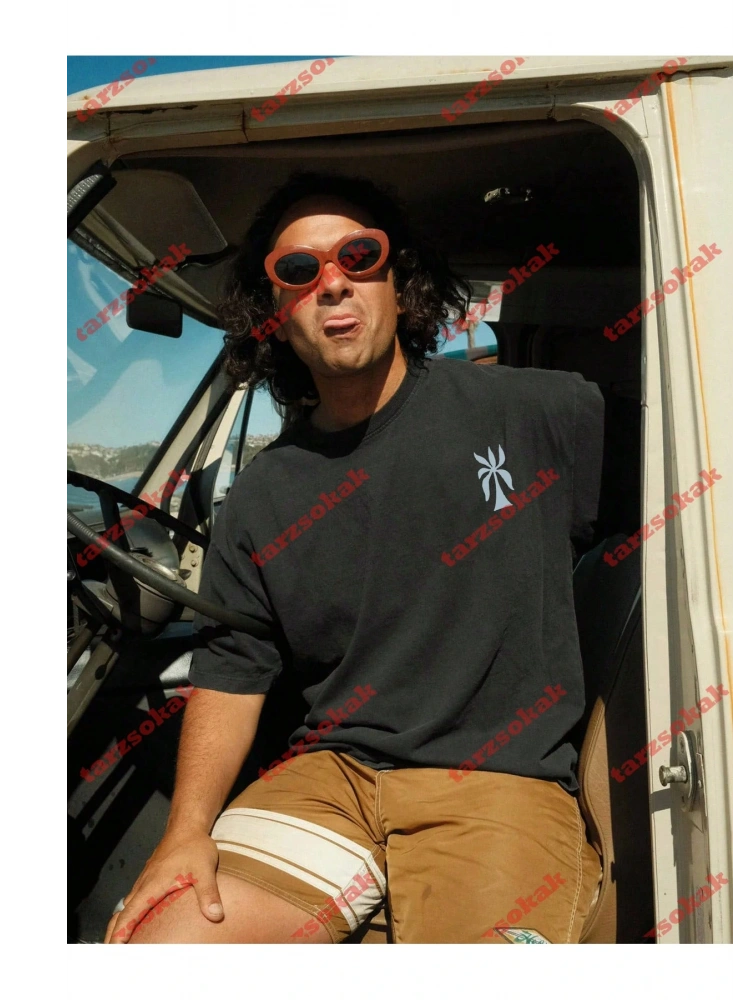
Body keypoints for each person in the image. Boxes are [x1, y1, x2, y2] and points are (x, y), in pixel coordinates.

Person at [105, 172, 605, 945]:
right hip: (329, 778)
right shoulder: (261, 496)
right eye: (298, 270)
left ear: (400, 284)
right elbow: (233, 671)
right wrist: (185, 832)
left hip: (499, 782)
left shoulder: (541, 411)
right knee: (159, 945)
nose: (333, 281)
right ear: (276, 315)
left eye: (359, 256)